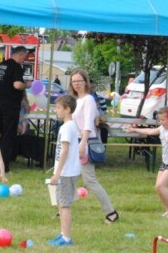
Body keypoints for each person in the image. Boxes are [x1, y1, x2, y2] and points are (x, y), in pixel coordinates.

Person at [69, 69, 119, 223]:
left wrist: (83, 144)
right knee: (67, 178)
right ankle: (63, 209)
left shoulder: (89, 99)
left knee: (89, 180)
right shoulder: (75, 100)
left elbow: (88, 124)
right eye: (74, 81)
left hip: (85, 142)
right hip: (74, 142)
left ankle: (111, 212)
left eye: (79, 80)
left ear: (86, 82)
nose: (76, 84)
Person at [124, 106, 168, 220]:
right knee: (158, 188)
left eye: (163, 120)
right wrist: (135, 129)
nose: (161, 122)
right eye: (160, 120)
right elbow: (150, 131)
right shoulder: (162, 128)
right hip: (166, 162)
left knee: (161, 186)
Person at [48, 95, 80, 247]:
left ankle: (66, 238)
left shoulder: (67, 127)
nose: (57, 111)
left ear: (67, 109)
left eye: (59, 108)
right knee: (61, 204)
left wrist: (57, 173)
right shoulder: (70, 126)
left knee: (64, 205)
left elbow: (64, 150)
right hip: (68, 171)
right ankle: (63, 234)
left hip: (66, 172)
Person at [0, 46, 27, 172]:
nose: (24, 59)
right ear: (20, 54)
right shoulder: (16, 66)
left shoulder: (2, 65)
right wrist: (26, 85)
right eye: (24, 57)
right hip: (10, 104)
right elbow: (17, 85)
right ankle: (4, 166)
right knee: (8, 134)